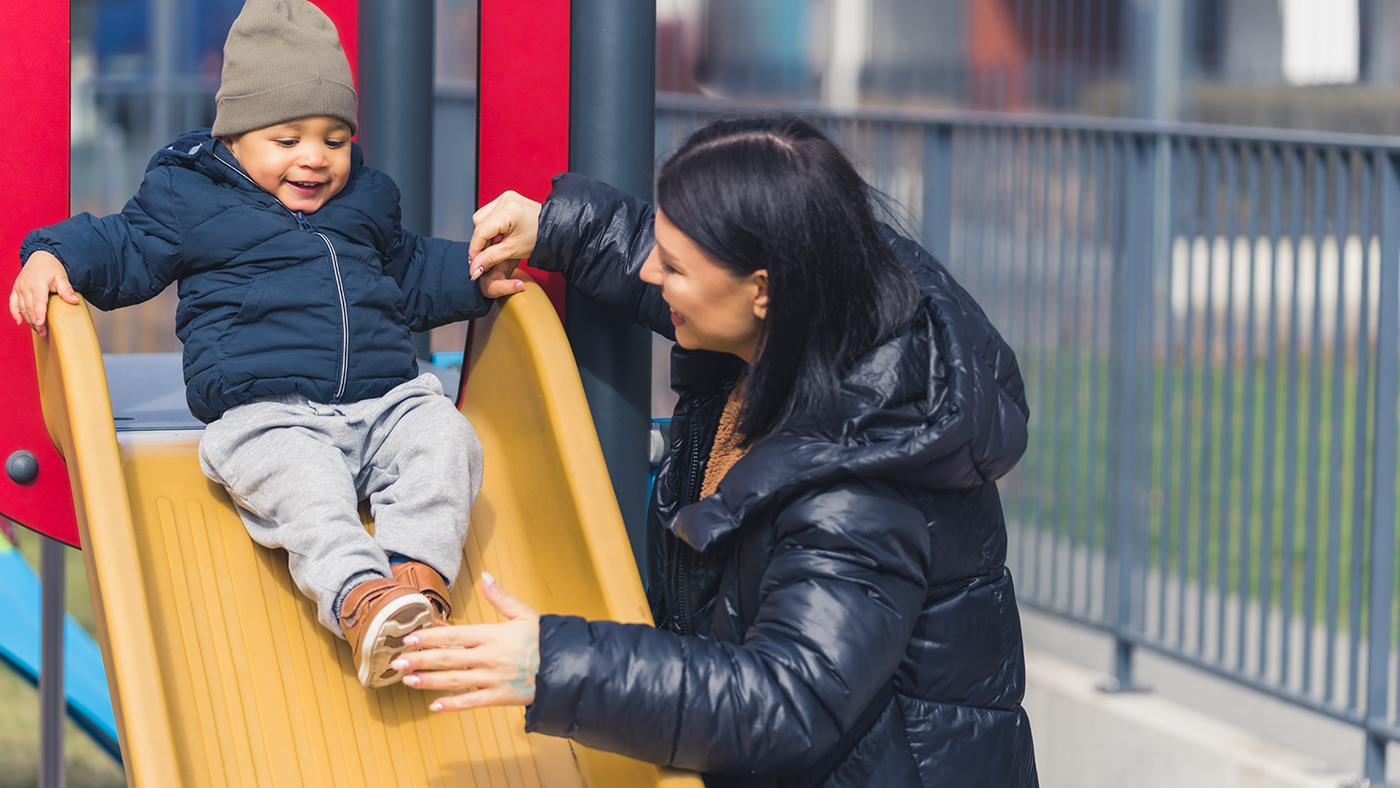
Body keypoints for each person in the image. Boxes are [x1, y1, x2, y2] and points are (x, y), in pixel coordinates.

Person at [394, 115, 1039, 786]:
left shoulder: (861, 486)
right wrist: (560, 225)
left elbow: (790, 700)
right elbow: (673, 251)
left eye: (673, 266)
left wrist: (556, 664)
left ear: (762, 290)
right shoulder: (819, 296)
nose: (651, 270)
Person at [8, 0, 521, 689]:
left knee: (445, 437)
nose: (315, 158)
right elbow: (124, 244)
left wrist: (475, 275)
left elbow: (407, 272)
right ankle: (359, 599)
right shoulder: (191, 197)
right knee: (306, 489)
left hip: (384, 403)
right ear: (235, 138)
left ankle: (417, 580)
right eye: (288, 139)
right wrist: (52, 254)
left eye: (335, 139)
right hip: (270, 414)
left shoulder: (365, 202)